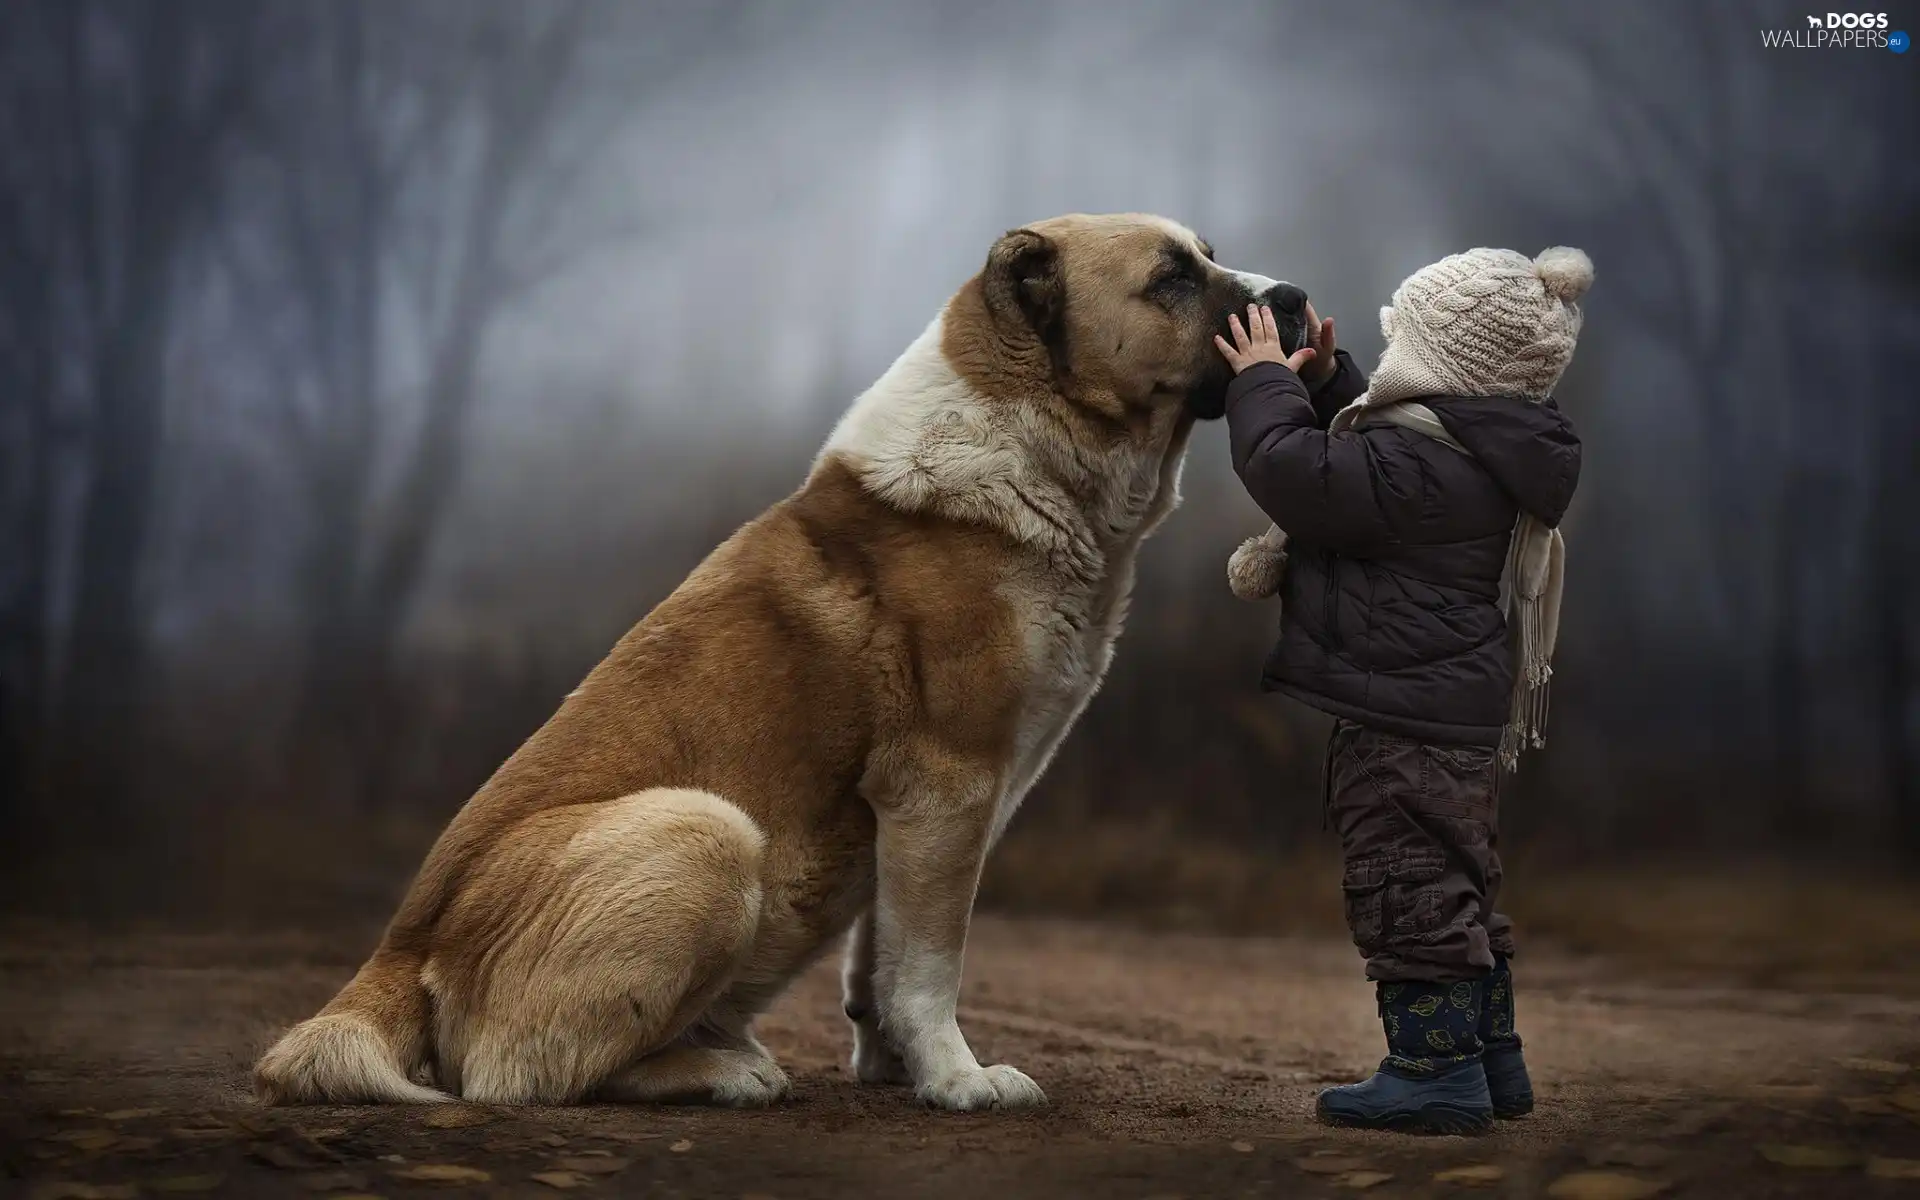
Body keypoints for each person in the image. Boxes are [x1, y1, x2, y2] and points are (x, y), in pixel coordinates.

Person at [1213, 246, 1592, 1133]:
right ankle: (1491, 1062)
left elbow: (1291, 470)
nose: (1387, 363)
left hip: (1404, 718)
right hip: (1447, 710)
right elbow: (1368, 449)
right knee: (1456, 880)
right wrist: (1324, 381)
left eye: (1401, 343)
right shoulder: (1469, 451)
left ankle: (1433, 1074)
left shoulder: (1420, 472)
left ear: (1443, 363)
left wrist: (1263, 383)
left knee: (1406, 885)